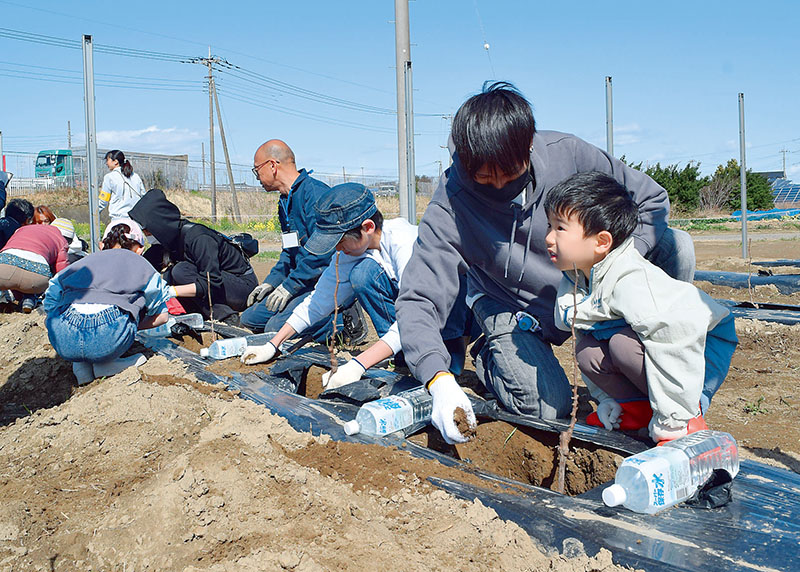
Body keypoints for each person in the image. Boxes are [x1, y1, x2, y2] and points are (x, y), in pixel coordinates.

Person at [395, 81, 696, 445]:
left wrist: (613, 268)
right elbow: (419, 298)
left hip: (589, 288)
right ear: (464, 161)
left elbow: (650, 200)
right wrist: (439, 380)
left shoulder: (567, 155)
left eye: (510, 173)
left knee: (675, 245)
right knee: (545, 411)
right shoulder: (451, 203)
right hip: (511, 302)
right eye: (485, 177)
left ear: (529, 146)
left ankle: (641, 367)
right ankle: (493, 351)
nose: (499, 185)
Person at [545, 171, 737, 443]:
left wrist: (676, 417)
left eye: (560, 228)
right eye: (549, 226)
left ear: (601, 242)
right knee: (587, 349)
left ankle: (688, 419)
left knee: (622, 345)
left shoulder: (632, 281)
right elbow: (578, 326)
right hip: (656, 345)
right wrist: (607, 399)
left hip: (699, 348)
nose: (549, 238)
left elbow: (674, 339)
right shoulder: (576, 278)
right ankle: (635, 409)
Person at [240, 183, 473, 386]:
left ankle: (448, 355)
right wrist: (273, 344)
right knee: (364, 273)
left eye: (340, 240)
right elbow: (319, 301)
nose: (337, 249)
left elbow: (416, 316)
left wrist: (358, 364)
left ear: (368, 227)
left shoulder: (408, 244)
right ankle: (402, 355)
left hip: (457, 305)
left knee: (442, 361)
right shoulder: (352, 253)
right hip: (414, 314)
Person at [43, 219, 189, 386]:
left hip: (64, 338)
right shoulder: (140, 264)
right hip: (107, 336)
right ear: (140, 249)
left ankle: (81, 365)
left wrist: (52, 318)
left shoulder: (83, 262)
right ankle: (107, 364)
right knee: (135, 304)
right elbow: (162, 316)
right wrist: (134, 325)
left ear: (101, 245)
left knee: (75, 307)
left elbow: (53, 289)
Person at [240, 140, 357, 341]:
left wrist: (289, 287)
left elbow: (323, 255)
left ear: (272, 165)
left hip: (325, 281)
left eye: (257, 169)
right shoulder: (285, 202)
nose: (257, 177)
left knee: (275, 329)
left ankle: (342, 319)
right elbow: (289, 251)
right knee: (250, 319)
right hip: (304, 280)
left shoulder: (315, 195)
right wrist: (270, 283)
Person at [129, 189, 258, 324]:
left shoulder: (199, 238)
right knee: (169, 275)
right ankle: (196, 314)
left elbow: (212, 282)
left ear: (158, 226)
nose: (146, 234)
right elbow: (143, 269)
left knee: (180, 271)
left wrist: (170, 291)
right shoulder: (168, 240)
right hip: (221, 286)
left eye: (147, 230)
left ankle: (226, 317)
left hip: (242, 288)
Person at [0, 216, 69, 312]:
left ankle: (6, 300)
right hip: (36, 277)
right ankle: (29, 300)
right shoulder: (61, 240)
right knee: (32, 279)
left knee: (14, 276)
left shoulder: (22, 229)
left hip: (4, 266)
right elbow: (62, 273)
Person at [99, 150, 147, 219]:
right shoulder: (136, 176)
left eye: (107, 160)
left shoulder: (109, 177)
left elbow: (103, 200)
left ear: (115, 161)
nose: (106, 163)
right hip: (136, 220)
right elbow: (143, 197)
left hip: (118, 219)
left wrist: (94, 212)